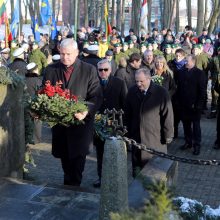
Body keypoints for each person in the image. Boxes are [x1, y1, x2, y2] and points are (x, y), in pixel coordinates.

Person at [43, 38, 102, 186]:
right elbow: (43, 93)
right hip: (60, 126)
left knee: (77, 164)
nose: (65, 57)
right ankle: (68, 187)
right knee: (65, 162)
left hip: (80, 125)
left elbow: (96, 95)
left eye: (68, 54)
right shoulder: (51, 70)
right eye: (62, 54)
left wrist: (85, 110)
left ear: (76, 53)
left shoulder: (89, 70)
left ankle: (72, 189)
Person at [125, 68, 174, 177]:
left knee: (156, 172)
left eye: (141, 81)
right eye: (136, 81)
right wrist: (127, 134)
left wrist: (168, 135)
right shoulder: (132, 91)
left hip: (155, 138)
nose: (138, 84)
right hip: (136, 138)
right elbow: (127, 114)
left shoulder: (161, 93)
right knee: (138, 172)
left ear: (149, 79)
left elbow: (167, 115)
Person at [93, 59, 127, 188]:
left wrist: (122, 123)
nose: (103, 72)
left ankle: (114, 179)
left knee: (114, 152)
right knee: (100, 153)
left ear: (110, 70)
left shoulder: (119, 83)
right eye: (100, 70)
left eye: (105, 70)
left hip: (114, 123)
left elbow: (124, 103)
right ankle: (101, 178)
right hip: (98, 124)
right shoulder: (94, 83)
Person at [177, 55, 206, 155]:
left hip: (195, 106)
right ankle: (188, 142)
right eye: (185, 60)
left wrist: (198, 105)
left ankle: (197, 145)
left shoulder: (199, 73)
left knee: (196, 126)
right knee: (186, 125)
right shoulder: (181, 72)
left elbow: (202, 91)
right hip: (184, 104)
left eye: (187, 61)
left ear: (193, 62)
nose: (185, 62)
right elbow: (179, 88)